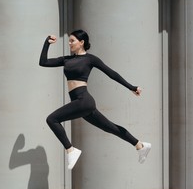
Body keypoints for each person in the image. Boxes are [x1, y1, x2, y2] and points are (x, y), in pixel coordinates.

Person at [39, 30, 151, 170]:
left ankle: (70, 150)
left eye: (72, 41)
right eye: (69, 41)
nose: (69, 43)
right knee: (110, 127)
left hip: (83, 100)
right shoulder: (66, 60)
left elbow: (111, 73)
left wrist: (131, 87)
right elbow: (43, 62)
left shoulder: (90, 59)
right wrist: (47, 43)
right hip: (81, 103)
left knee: (52, 119)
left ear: (81, 42)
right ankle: (140, 145)